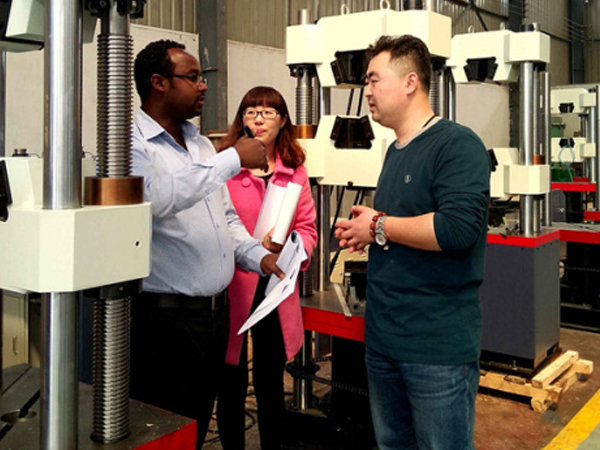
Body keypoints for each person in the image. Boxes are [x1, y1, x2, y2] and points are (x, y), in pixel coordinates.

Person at [334, 35, 490, 450]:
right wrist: (368, 230)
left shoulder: (456, 144)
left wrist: (379, 225)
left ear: (410, 82)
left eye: (374, 79)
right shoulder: (395, 152)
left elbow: (457, 230)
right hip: (384, 340)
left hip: (435, 348)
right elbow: (400, 230)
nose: (366, 91)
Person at [129, 40, 283, 449]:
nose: (204, 85)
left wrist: (259, 257)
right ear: (159, 83)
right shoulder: (130, 143)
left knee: (195, 428)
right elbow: (154, 198)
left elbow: (225, 219)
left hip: (213, 318)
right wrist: (231, 158)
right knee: (162, 431)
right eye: (193, 77)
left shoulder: (197, 144)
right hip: (165, 322)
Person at [215, 86, 317, 450]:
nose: (258, 119)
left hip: (274, 286)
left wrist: (293, 250)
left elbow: (308, 229)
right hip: (233, 285)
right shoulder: (225, 167)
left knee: (271, 382)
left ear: (283, 120)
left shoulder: (295, 172)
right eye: (251, 112)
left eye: (268, 112)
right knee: (231, 380)